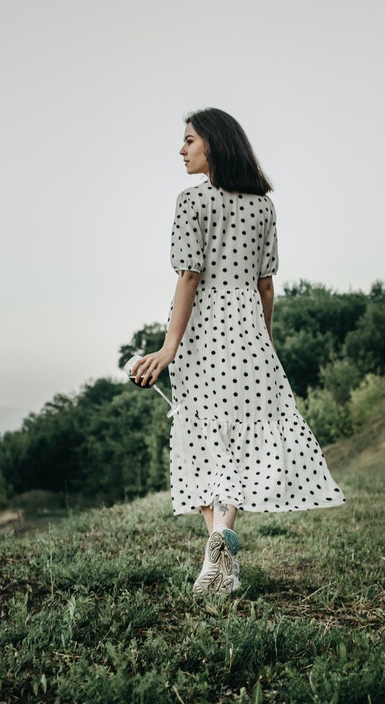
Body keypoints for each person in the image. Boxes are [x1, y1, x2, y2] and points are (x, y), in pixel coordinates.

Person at [133, 108, 345, 596]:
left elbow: (189, 275)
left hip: (201, 330)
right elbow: (266, 286)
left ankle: (215, 544)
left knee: (204, 433)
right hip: (248, 331)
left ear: (214, 145)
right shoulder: (263, 206)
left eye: (189, 141)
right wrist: (263, 342)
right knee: (246, 439)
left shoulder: (192, 201)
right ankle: (221, 548)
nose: (181, 150)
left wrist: (169, 347)